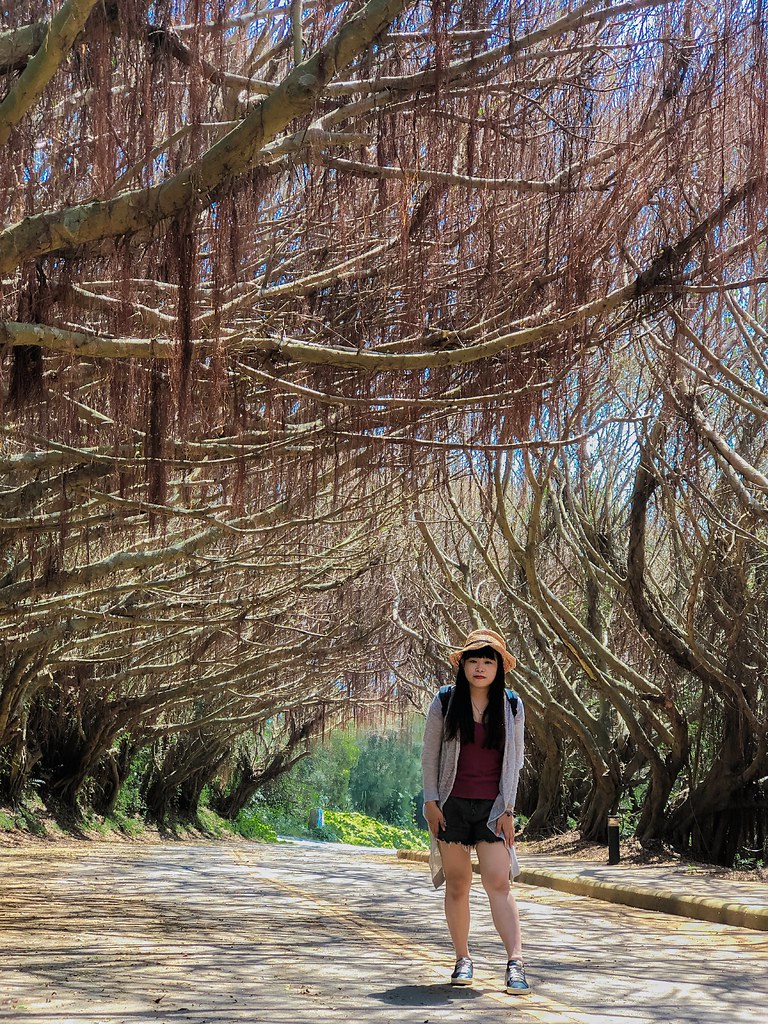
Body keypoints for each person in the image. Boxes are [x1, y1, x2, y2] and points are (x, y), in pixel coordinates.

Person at [421, 628, 530, 995]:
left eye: (488, 661)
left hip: (493, 808)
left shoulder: (512, 704)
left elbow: (515, 762)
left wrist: (509, 809)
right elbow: (430, 754)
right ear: (463, 665)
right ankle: (462, 959)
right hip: (451, 805)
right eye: (474, 660)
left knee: (499, 882)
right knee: (458, 884)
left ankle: (515, 963)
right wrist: (431, 801)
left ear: (499, 667)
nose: (480, 667)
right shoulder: (446, 701)